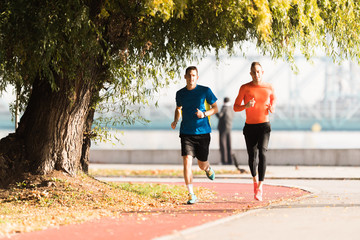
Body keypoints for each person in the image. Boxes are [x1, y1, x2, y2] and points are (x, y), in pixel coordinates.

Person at [171, 66, 218, 204]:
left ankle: (208, 168)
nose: (191, 78)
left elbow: (215, 108)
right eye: (189, 75)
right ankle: (191, 194)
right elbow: (178, 108)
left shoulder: (205, 91)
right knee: (187, 161)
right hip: (186, 133)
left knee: (201, 164)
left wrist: (203, 114)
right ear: (185, 77)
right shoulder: (180, 93)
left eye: (194, 75)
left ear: (197, 77)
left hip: (203, 132)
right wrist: (175, 120)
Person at [233, 62, 276, 201]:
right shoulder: (245, 88)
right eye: (254, 72)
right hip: (250, 127)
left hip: (264, 125)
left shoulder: (269, 87)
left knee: (263, 152)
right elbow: (235, 107)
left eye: (258, 71)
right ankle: (254, 181)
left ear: (262, 72)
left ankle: (261, 186)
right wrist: (246, 105)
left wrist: (272, 108)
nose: (256, 74)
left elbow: (273, 99)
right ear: (250, 74)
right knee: (252, 156)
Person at [216, 97, 234, 165]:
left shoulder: (224, 108)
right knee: (229, 144)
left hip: (222, 128)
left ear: (224, 102)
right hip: (229, 128)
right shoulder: (230, 108)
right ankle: (230, 161)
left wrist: (215, 111)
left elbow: (220, 115)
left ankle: (224, 161)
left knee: (223, 145)